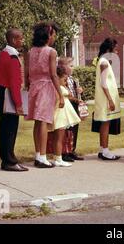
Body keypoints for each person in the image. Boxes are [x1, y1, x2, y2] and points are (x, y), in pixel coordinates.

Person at [25, 22, 64, 168]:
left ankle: (38, 154)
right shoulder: (51, 52)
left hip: (34, 86)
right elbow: (54, 75)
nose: (54, 37)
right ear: (48, 35)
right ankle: (42, 156)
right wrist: (60, 94)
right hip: (46, 87)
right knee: (43, 121)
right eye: (53, 35)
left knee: (37, 121)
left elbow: (27, 72)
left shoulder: (31, 51)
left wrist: (27, 84)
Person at [0, 28, 28, 172]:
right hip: (10, 97)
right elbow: (14, 83)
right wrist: (18, 104)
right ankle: (10, 161)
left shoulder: (3, 54)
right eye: (21, 38)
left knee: (4, 128)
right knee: (10, 130)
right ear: (14, 40)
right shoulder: (12, 57)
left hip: (3, 94)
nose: (23, 40)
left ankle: (6, 159)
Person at [47, 65, 81, 167]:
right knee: (59, 138)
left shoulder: (60, 87)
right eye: (64, 79)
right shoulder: (59, 89)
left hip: (62, 115)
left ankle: (57, 157)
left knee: (59, 137)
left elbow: (69, 95)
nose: (66, 82)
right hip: (60, 115)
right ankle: (58, 158)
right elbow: (66, 95)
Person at [94, 38, 121, 160]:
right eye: (115, 48)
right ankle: (105, 151)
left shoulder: (103, 61)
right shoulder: (104, 62)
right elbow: (103, 83)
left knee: (105, 123)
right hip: (105, 98)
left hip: (104, 97)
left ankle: (102, 149)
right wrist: (110, 99)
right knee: (106, 123)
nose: (117, 50)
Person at [58, 57, 84, 162]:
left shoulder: (73, 79)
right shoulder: (61, 79)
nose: (72, 67)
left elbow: (75, 92)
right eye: (70, 65)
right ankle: (65, 152)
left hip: (74, 105)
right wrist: (75, 99)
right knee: (67, 129)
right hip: (68, 105)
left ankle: (72, 149)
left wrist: (80, 91)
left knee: (74, 129)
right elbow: (65, 94)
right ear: (63, 67)